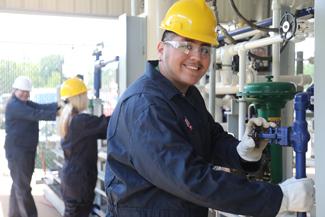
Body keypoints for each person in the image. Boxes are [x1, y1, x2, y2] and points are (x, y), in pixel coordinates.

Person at [104, 0, 315, 217]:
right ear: (161, 49)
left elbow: (211, 139)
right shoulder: (146, 105)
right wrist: (279, 198)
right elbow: (190, 179)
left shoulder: (188, 94)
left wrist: (242, 153)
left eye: (205, 49)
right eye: (186, 45)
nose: (197, 56)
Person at [4, 75, 59, 217]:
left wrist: (60, 105)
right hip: (18, 153)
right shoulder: (14, 106)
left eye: (27, 92)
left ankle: (14, 214)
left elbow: (40, 107)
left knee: (19, 185)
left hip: (25, 151)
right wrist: (59, 113)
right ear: (14, 90)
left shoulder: (24, 103)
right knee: (23, 188)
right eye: (22, 91)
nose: (25, 94)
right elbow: (36, 113)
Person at [58, 77, 110, 217]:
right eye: (85, 95)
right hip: (79, 183)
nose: (87, 98)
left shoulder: (69, 118)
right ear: (79, 97)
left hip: (73, 180)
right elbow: (106, 126)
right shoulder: (81, 121)